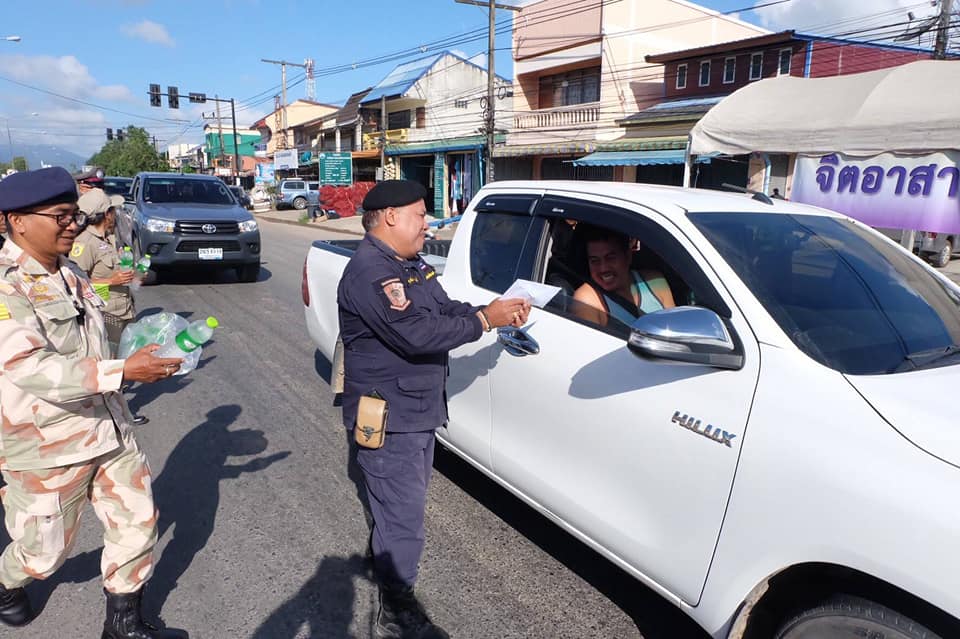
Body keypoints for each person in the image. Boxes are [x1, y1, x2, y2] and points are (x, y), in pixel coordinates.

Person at [338, 179, 529, 639]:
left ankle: (386, 570)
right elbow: (417, 335)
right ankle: (396, 611)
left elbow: (442, 308)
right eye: (420, 215)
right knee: (404, 519)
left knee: (396, 511)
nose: (429, 223)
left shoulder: (408, 265)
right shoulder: (372, 273)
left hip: (415, 411)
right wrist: (486, 321)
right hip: (391, 418)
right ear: (390, 218)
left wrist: (487, 307)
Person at [0, 167, 186, 637]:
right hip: (47, 442)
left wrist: (142, 333)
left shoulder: (72, 272)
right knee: (43, 551)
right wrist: (124, 371)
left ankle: (122, 620)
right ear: (17, 221)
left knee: (137, 520)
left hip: (109, 427)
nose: (73, 225)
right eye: (61, 216)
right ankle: (7, 582)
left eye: (75, 217)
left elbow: (93, 315)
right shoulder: (6, 287)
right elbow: (30, 368)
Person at [70, 188, 150, 426]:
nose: (116, 213)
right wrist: (110, 282)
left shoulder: (110, 238)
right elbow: (74, 284)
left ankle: (116, 410)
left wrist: (136, 275)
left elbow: (121, 271)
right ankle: (117, 415)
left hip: (125, 308)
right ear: (106, 213)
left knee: (122, 360)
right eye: (113, 210)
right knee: (111, 364)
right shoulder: (84, 244)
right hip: (105, 313)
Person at [572, 225, 676, 327]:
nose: (603, 268)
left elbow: (676, 329)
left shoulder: (655, 281)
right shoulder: (587, 299)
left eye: (610, 258)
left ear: (628, 256)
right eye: (595, 261)